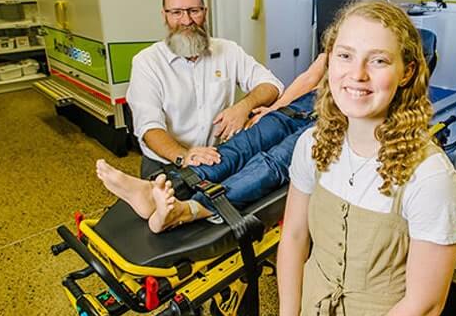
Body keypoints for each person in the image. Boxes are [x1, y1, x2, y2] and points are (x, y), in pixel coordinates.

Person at [272, 0, 456, 316]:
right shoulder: (311, 144)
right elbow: (294, 237)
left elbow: (425, 304)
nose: (357, 74)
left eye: (378, 60)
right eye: (345, 55)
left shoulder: (431, 178)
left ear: (407, 72)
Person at [96, 52, 328, 233]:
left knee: (275, 160)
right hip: (299, 108)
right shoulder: (339, 45)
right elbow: (310, 77)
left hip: (333, 124)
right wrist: (274, 109)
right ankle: (166, 189)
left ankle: (190, 210)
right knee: (242, 145)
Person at [126, 0, 284, 178]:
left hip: (216, 159)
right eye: (176, 12)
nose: (186, 20)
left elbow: (273, 85)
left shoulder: (228, 51)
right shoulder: (146, 62)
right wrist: (184, 156)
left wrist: (244, 106)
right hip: (168, 162)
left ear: (205, 12)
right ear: (164, 16)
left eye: (194, 11)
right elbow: (149, 128)